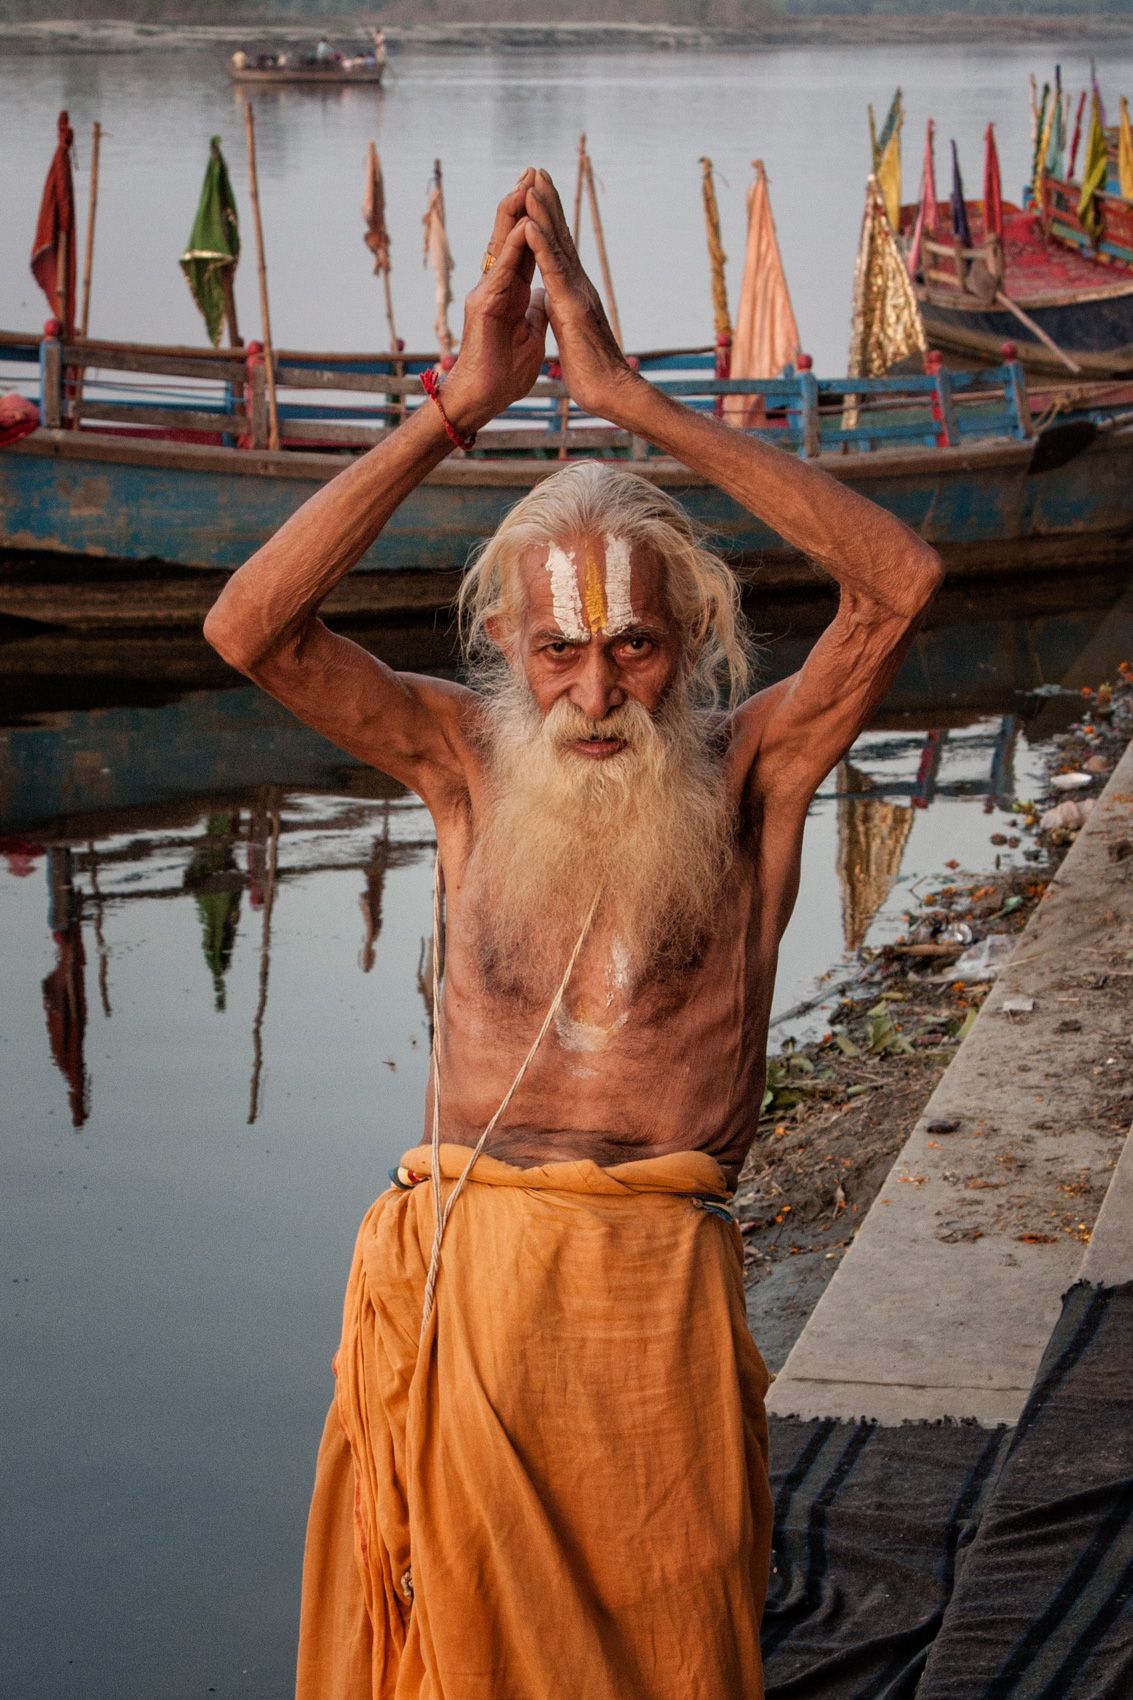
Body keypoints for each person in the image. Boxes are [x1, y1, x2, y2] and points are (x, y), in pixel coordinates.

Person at [203, 168, 942, 1699]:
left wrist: (625, 399)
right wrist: (455, 408)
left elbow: (896, 581)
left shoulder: (753, 774)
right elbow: (248, 632)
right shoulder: (458, 763)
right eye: (557, 652)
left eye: (632, 647)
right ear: (507, 653)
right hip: (471, 1300)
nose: (594, 694)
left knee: (669, 1658)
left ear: (688, 652)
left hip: (650, 1313)